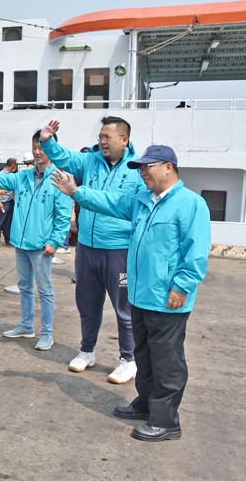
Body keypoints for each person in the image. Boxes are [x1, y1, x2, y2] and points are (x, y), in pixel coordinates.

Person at [50, 145, 210, 442]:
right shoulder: (142, 200)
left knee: (167, 361)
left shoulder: (191, 204)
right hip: (140, 294)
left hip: (167, 298)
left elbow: (195, 252)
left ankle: (166, 421)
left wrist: (182, 286)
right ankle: (145, 403)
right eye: (140, 167)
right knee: (144, 356)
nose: (142, 172)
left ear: (168, 167)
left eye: (147, 167)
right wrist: (76, 192)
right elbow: (109, 202)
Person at [39, 118, 146, 384]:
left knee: (124, 309)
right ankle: (87, 351)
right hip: (87, 247)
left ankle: (128, 359)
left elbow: (138, 207)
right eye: (100, 136)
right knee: (87, 305)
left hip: (118, 249)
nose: (103, 141)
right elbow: (63, 157)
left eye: (109, 136)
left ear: (124, 140)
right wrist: (47, 141)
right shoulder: (91, 161)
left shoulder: (137, 170)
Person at [0, 130, 72, 350]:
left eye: (41, 147)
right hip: (21, 244)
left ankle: (47, 333)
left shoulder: (59, 179)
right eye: (34, 146)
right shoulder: (23, 176)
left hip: (41, 246)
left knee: (45, 290)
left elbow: (65, 216)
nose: (37, 151)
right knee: (24, 287)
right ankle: (26, 326)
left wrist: (56, 241)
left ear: (52, 149)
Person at [0, 158, 17, 246]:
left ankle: (8, 239)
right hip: (3, 201)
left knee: (8, 221)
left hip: (10, 200)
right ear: (13, 165)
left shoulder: (11, 175)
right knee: (0, 221)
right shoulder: (1, 175)